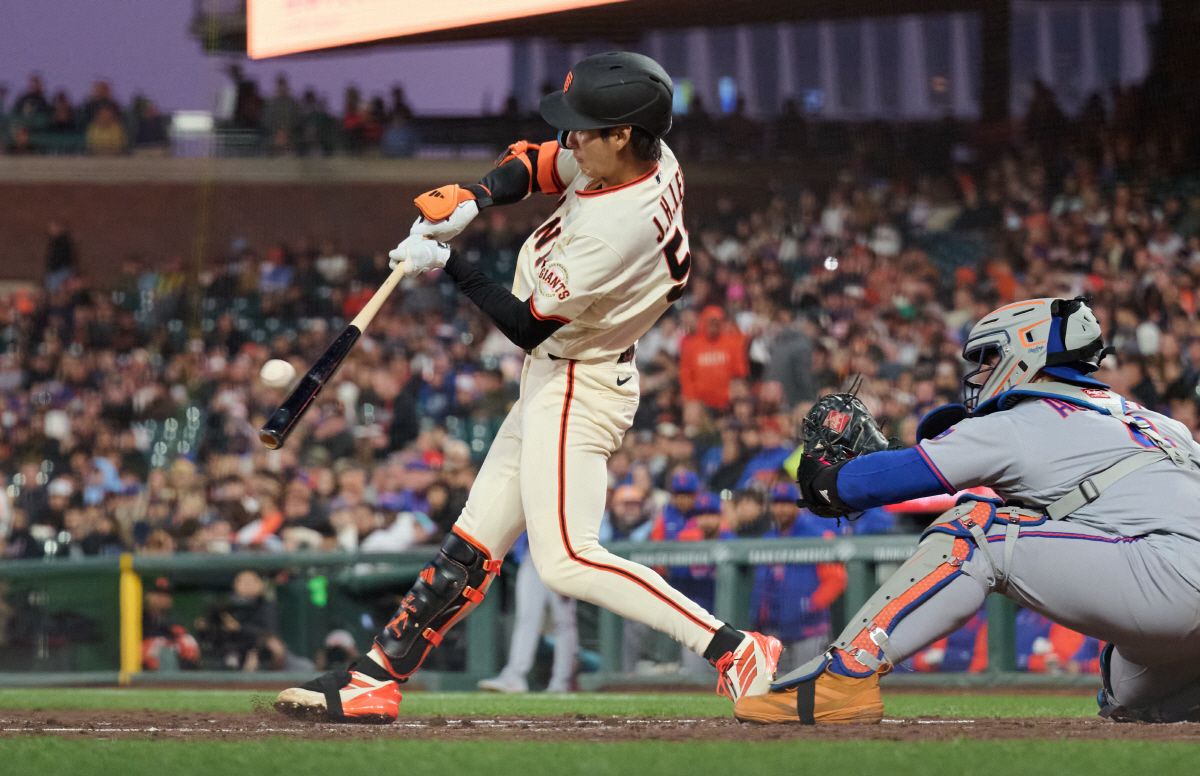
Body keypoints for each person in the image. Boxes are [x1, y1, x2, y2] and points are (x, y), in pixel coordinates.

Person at [276, 52, 781, 723]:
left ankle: (733, 648)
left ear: (623, 133)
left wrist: (449, 262)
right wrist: (474, 198)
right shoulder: (644, 156)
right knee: (475, 536)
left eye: (584, 127)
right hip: (563, 372)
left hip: (580, 376)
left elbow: (525, 326)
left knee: (568, 560)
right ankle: (377, 675)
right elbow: (541, 164)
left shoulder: (614, 228)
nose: (570, 138)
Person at [736, 297, 1200, 724]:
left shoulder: (1023, 419)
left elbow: (886, 480)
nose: (980, 372)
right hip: (1172, 590)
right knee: (1129, 695)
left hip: (1171, 584)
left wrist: (827, 480)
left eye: (990, 357)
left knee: (975, 527)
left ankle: (843, 679)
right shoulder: (1154, 421)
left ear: (1029, 351)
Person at [749, 482, 847, 672]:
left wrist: (810, 605)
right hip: (773, 628)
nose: (781, 508)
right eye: (777, 503)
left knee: (809, 684)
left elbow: (837, 580)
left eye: (787, 503)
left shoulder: (816, 535)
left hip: (809, 629)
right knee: (776, 686)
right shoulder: (767, 539)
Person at [477, 532, 577, 693]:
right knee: (526, 620)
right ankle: (514, 677)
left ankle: (562, 682)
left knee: (563, 622)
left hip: (563, 554)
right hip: (532, 554)